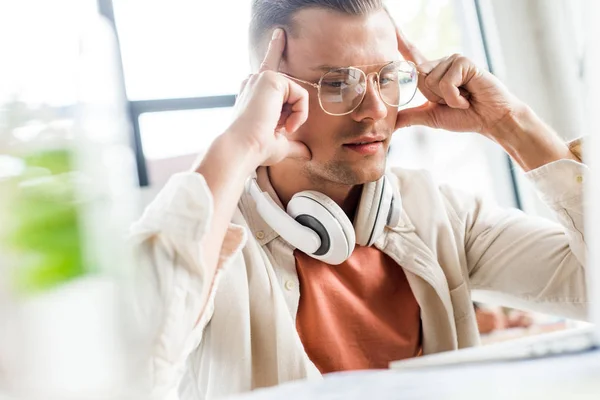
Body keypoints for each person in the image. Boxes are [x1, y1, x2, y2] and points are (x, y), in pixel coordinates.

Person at [130, 1, 588, 398]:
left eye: (387, 78)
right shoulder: (218, 242)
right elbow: (129, 367)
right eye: (336, 83)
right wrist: (236, 147)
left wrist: (510, 122)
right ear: (270, 92)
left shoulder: (438, 212)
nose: (373, 110)